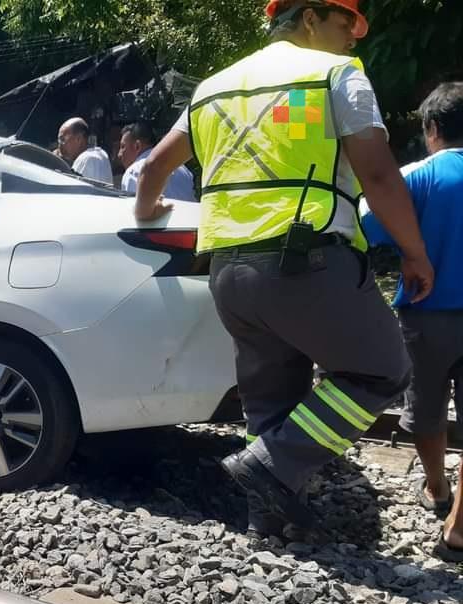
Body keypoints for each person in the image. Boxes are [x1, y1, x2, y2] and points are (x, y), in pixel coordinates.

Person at [133, 0, 435, 537]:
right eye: (346, 23)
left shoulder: (215, 88)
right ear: (311, 17)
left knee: (269, 396)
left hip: (227, 270)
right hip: (307, 263)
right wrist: (414, 253)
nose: (352, 38)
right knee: (383, 370)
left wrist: (146, 211)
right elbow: (380, 177)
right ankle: (272, 466)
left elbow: (155, 165)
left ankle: (266, 524)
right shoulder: (334, 76)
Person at [361, 82, 463, 560]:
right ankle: (458, 528)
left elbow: (368, 222)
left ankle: (438, 487)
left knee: (426, 407)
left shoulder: (418, 175)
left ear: (433, 128)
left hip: (427, 312)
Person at [118, 121, 196, 201]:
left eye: (123, 147)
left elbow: (132, 210)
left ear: (137, 146)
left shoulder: (134, 171)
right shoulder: (184, 170)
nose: (119, 154)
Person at [58, 117, 114, 185]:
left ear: (78, 139)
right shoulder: (101, 154)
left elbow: (74, 192)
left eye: (62, 139)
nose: (59, 145)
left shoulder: (87, 159)